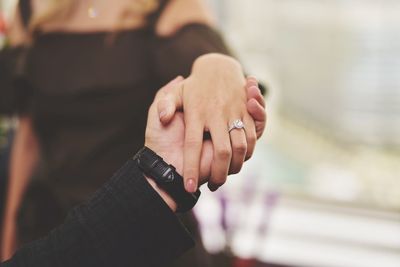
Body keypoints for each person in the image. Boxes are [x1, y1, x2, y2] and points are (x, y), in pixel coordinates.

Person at [1, 0, 266, 264]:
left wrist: (219, 65)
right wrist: (8, 240)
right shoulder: (31, 10)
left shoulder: (167, 6)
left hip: (140, 221)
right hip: (52, 231)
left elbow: (212, 74)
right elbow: (28, 138)